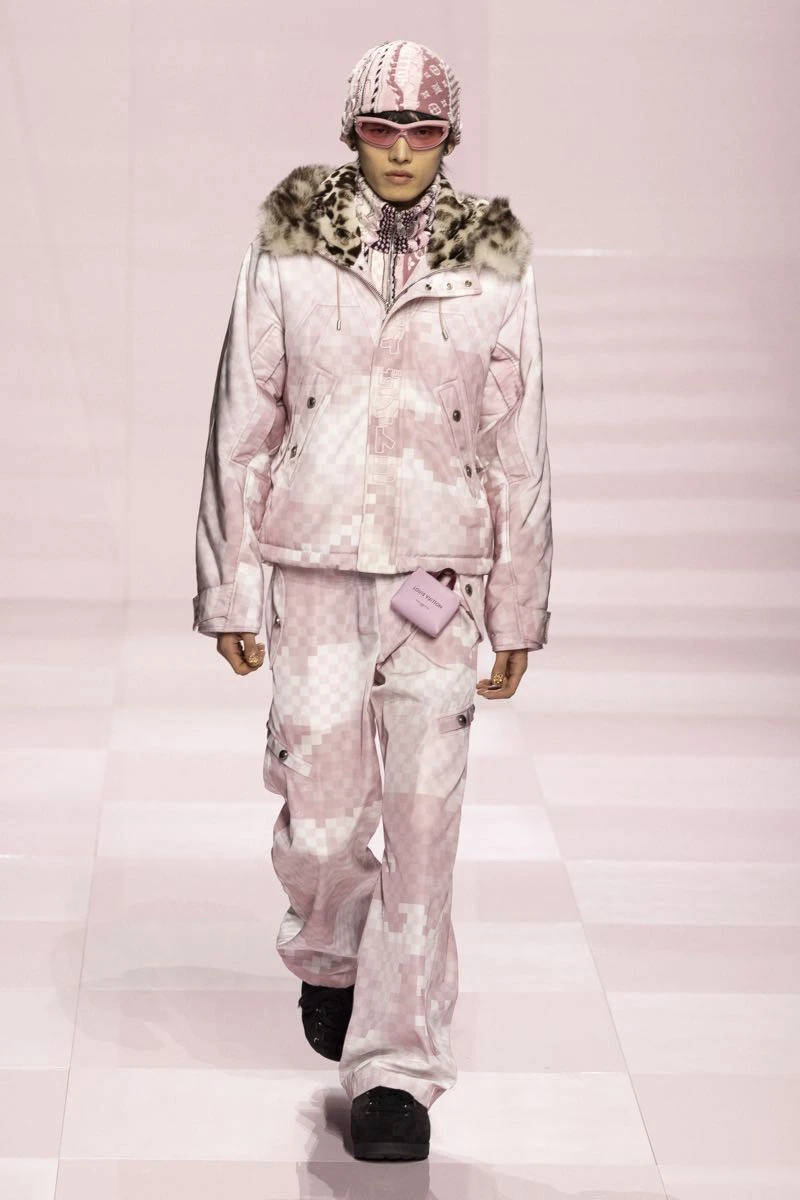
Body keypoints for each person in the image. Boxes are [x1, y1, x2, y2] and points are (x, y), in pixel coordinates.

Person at [192, 38, 553, 1162]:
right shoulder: (289, 244)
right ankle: (331, 952)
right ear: (352, 132)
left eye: (423, 131)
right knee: (321, 822)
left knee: (424, 826)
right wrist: (227, 585)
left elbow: (519, 443)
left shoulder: (493, 259)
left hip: (437, 578)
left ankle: (396, 1069)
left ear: (449, 139)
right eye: (383, 130)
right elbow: (242, 417)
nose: (401, 150)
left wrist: (518, 604)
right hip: (310, 570)